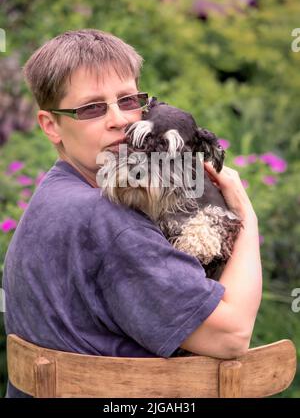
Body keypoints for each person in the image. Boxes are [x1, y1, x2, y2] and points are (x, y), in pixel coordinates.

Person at [2, 29, 262, 398]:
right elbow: (233, 335)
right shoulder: (107, 219)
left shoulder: (55, 194)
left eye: (128, 100)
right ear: (50, 126)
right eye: (92, 108)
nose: (119, 120)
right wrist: (246, 218)